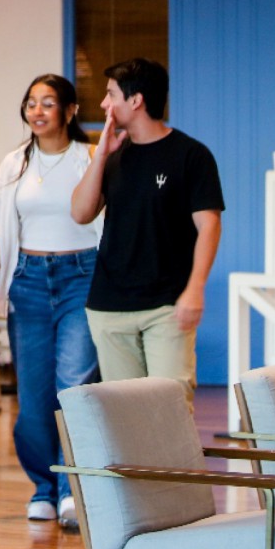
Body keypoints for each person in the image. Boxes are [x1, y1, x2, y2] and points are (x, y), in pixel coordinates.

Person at [0, 74, 101, 525]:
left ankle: (70, 489)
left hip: (81, 277)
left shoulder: (90, 157)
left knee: (74, 386)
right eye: (31, 103)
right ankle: (43, 488)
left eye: (48, 103)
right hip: (27, 281)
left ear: (69, 111)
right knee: (33, 397)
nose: (38, 111)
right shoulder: (14, 164)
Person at [69, 58, 223, 411]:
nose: (104, 104)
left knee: (170, 407)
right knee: (126, 413)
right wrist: (101, 155)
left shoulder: (191, 155)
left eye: (111, 95)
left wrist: (195, 289)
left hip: (167, 304)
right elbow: (80, 213)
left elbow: (210, 226)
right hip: (109, 306)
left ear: (135, 100)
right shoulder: (112, 154)